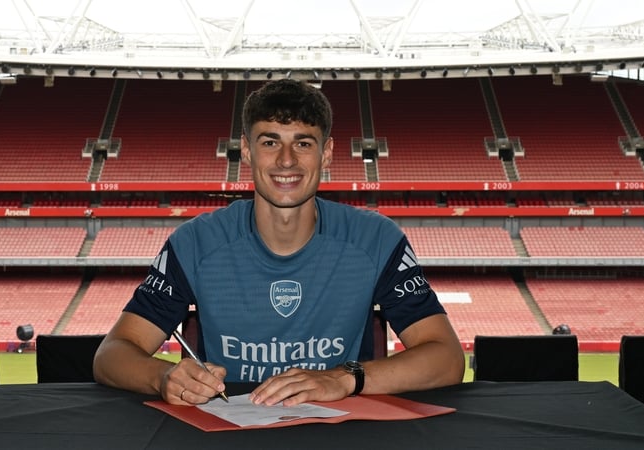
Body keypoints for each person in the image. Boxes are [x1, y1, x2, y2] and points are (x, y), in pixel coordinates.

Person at [93, 79, 465, 407]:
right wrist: (162, 377)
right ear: (248, 150)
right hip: (227, 433)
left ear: (328, 153)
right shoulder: (197, 242)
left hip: (340, 434)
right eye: (270, 142)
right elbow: (112, 354)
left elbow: (447, 358)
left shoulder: (376, 239)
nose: (286, 160)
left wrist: (344, 378)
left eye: (303, 143)